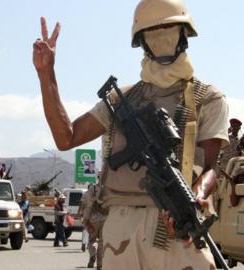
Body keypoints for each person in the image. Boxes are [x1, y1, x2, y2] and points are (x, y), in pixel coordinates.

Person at [32, 0, 229, 267]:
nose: (162, 37)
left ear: (184, 35)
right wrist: (47, 74)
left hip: (175, 225)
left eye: (170, 29)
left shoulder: (207, 98)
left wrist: (196, 197)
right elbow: (66, 138)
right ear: (142, 40)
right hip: (120, 229)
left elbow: (211, 168)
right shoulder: (120, 99)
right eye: (153, 31)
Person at [81, 183, 108, 270]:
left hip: (93, 219)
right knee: (102, 242)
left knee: (92, 240)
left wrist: (86, 219)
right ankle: (99, 264)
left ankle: (92, 255)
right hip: (105, 219)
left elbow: (88, 205)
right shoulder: (108, 187)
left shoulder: (92, 189)